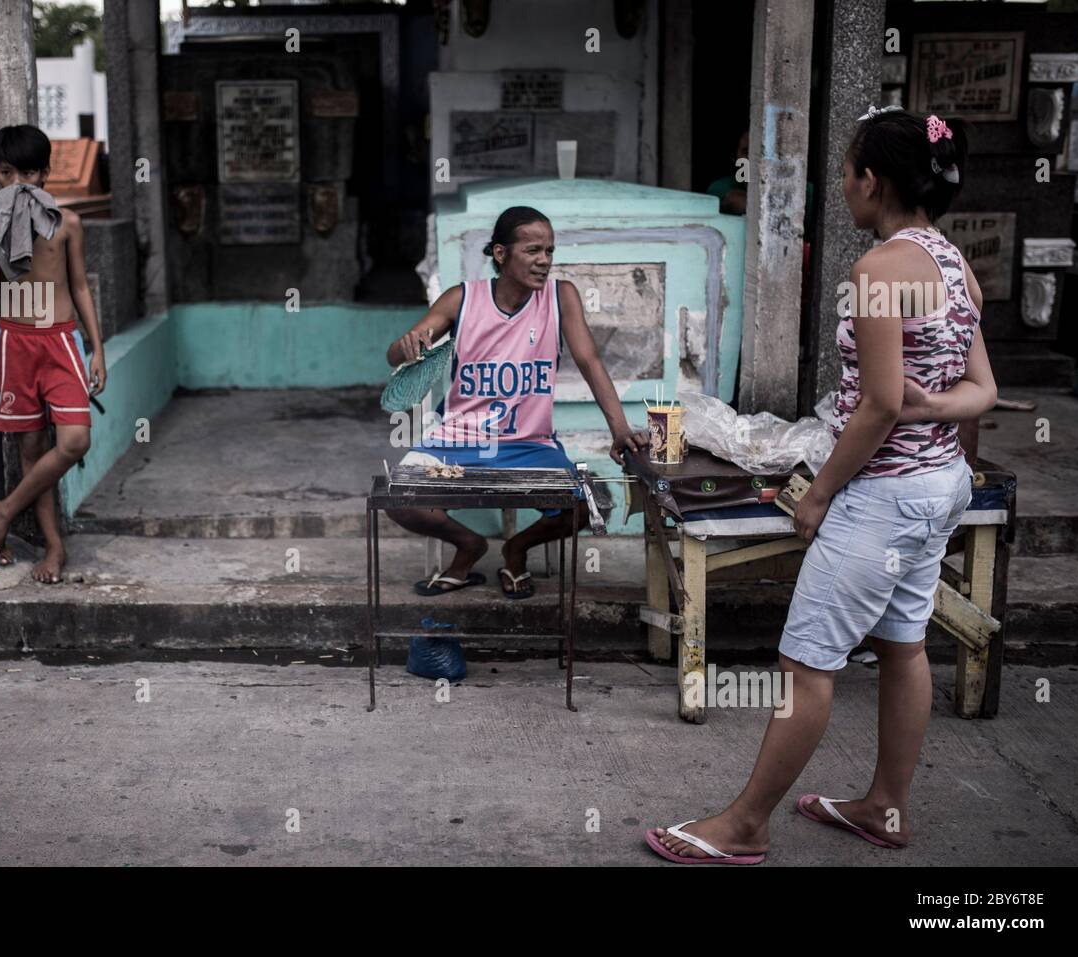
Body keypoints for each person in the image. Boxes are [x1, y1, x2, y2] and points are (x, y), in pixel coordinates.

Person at [649, 108, 997, 863]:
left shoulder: (878, 272)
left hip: (882, 495)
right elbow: (983, 390)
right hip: (939, 484)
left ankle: (745, 824)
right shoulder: (955, 266)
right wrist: (932, 405)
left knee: (806, 667)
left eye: (845, 171)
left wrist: (817, 495)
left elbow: (875, 404)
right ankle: (885, 807)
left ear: (873, 181)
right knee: (904, 645)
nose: (841, 185)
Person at [385, 206, 650, 599]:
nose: (544, 261)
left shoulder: (562, 297)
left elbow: (590, 361)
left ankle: (517, 549)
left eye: (549, 252)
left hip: (530, 443)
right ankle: (469, 545)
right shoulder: (462, 299)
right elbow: (396, 354)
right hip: (457, 439)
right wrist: (405, 349)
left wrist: (620, 430)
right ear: (500, 253)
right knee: (398, 497)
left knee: (587, 506)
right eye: (532, 251)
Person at [0, 125, 106, 584]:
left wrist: (97, 350)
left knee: (73, 441)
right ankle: (54, 547)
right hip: (16, 342)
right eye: (7, 174)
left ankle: (2, 511)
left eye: (28, 173)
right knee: (32, 447)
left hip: (61, 340)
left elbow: (81, 286)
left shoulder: (67, 223)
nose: (18, 183)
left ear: (46, 173)